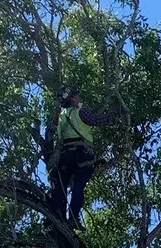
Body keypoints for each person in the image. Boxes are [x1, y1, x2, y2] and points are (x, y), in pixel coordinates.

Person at [49, 86, 118, 229]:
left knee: (60, 188)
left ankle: (53, 217)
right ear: (73, 99)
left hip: (65, 155)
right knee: (79, 186)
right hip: (82, 153)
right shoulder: (80, 110)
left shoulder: (60, 116)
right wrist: (115, 114)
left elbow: (51, 128)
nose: (79, 97)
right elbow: (96, 120)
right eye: (77, 96)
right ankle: (73, 218)